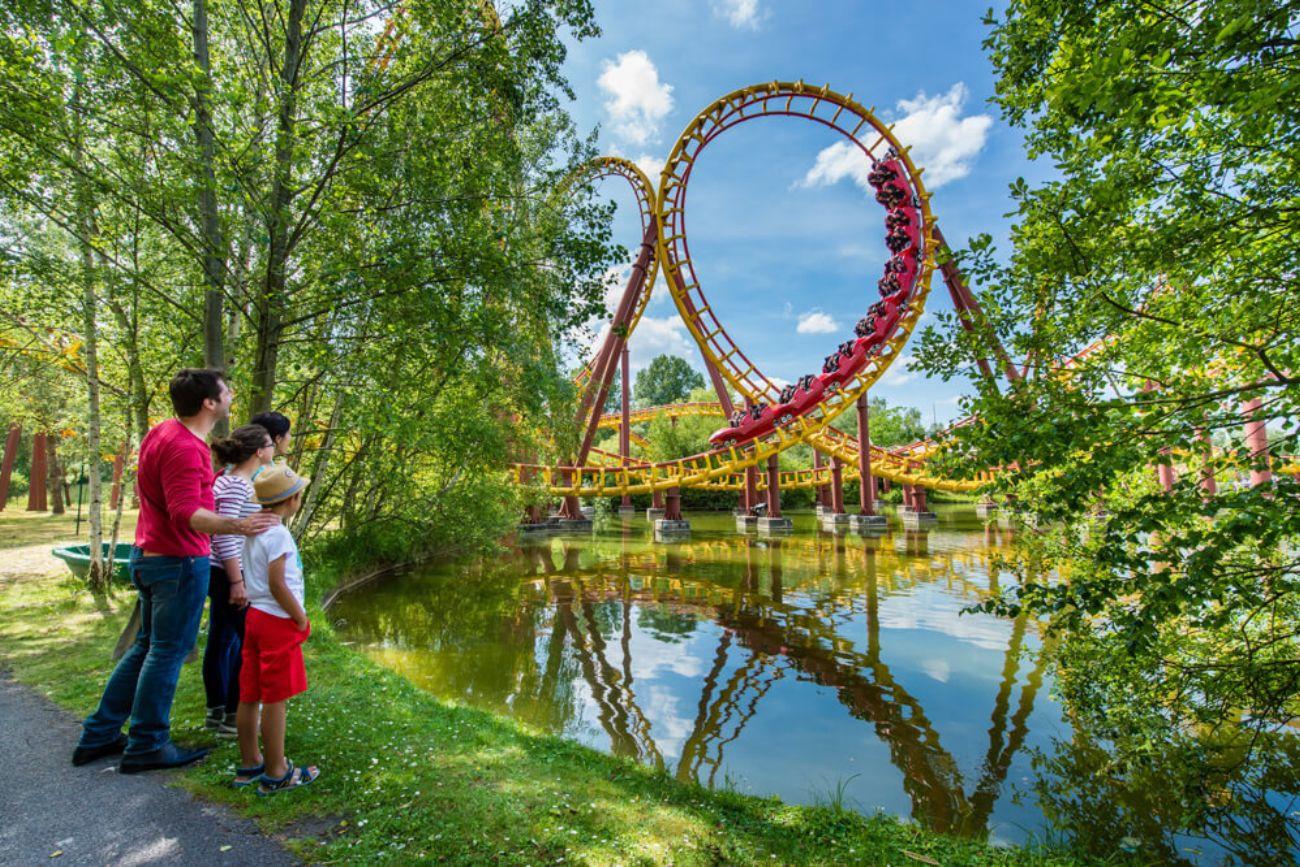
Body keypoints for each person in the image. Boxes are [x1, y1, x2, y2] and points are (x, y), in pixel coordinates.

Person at [73, 369, 278, 773]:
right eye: (226, 391)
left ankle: (99, 734)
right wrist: (240, 525)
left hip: (150, 555)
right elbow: (187, 513)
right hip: (178, 560)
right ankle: (148, 742)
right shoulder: (187, 447)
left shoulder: (160, 432)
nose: (231, 395)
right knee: (166, 651)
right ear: (209, 403)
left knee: (146, 647)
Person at [233, 464, 320, 793]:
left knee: (250, 693)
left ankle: (249, 764)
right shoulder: (279, 534)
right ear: (293, 499)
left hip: (255, 616)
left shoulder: (254, 530)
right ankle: (277, 771)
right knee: (275, 698)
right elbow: (277, 582)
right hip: (276, 621)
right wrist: (299, 617)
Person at [203, 424, 276, 736]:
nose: (273, 449)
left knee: (225, 639)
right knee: (249, 647)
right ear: (259, 451)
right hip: (226, 573)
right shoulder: (236, 484)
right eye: (270, 444)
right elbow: (222, 533)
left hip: (225, 573)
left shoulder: (237, 481)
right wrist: (237, 581)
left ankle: (219, 712)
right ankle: (235, 717)